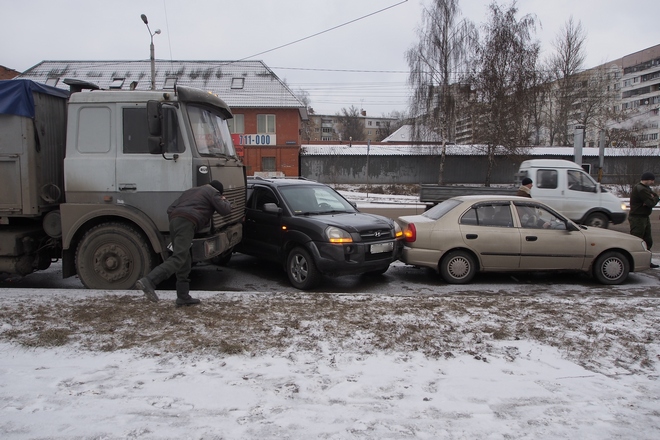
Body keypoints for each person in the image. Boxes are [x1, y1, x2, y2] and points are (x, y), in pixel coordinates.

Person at [136, 180, 232, 305]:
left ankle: (183, 296)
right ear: (218, 190)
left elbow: (170, 209)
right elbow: (225, 210)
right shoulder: (213, 192)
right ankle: (149, 281)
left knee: (185, 259)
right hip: (186, 222)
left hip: (175, 222)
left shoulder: (191, 191)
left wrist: (180, 220)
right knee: (179, 257)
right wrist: (225, 200)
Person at [629, 172, 659, 268]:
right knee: (637, 241)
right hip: (637, 218)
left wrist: (652, 199)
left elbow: (656, 197)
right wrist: (651, 200)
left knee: (647, 241)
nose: (653, 182)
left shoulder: (646, 188)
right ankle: (633, 262)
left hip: (644, 217)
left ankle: (646, 261)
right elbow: (651, 203)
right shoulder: (641, 189)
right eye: (651, 180)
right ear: (647, 179)